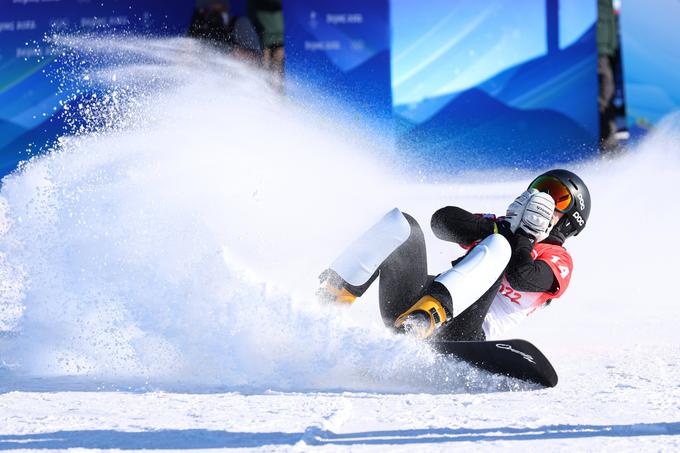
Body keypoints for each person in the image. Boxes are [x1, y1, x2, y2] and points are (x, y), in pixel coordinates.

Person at [317, 169, 591, 341]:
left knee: (499, 246)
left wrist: (524, 238)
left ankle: (425, 320)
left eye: (557, 198)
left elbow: (521, 277)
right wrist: (500, 227)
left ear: (570, 219)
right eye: (540, 189)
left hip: (463, 331)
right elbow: (441, 222)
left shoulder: (559, 258)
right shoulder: (502, 229)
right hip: (410, 308)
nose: (541, 200)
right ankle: (327, 303)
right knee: (401, 226)